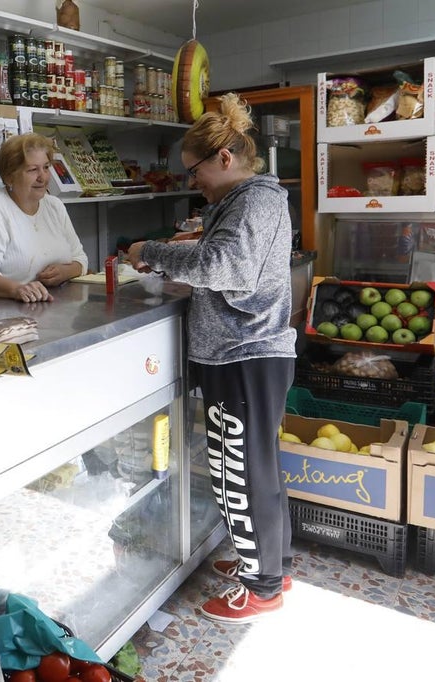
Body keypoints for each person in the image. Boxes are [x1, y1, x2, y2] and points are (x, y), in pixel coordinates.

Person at [125, 93, 297, 624]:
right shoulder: (250, 199)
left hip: (242, 353)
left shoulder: (253, 201)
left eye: (194, 170)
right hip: (245, 352)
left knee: (238, 473)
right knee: (256, 467)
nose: (191, 180)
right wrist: (195, 238)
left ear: (224, 159)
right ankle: (272, 564)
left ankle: (263, 587)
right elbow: (227, 253)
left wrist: (149, 251)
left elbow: (227, 267)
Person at [0, 132, 88, 303]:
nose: (42, 177)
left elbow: (80, 259)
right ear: (9, 176)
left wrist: (64, 272)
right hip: (7, 315)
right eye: (32, 170)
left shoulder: (55, 206)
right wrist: (17, 289)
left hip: (56, 309)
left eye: (46, 167)